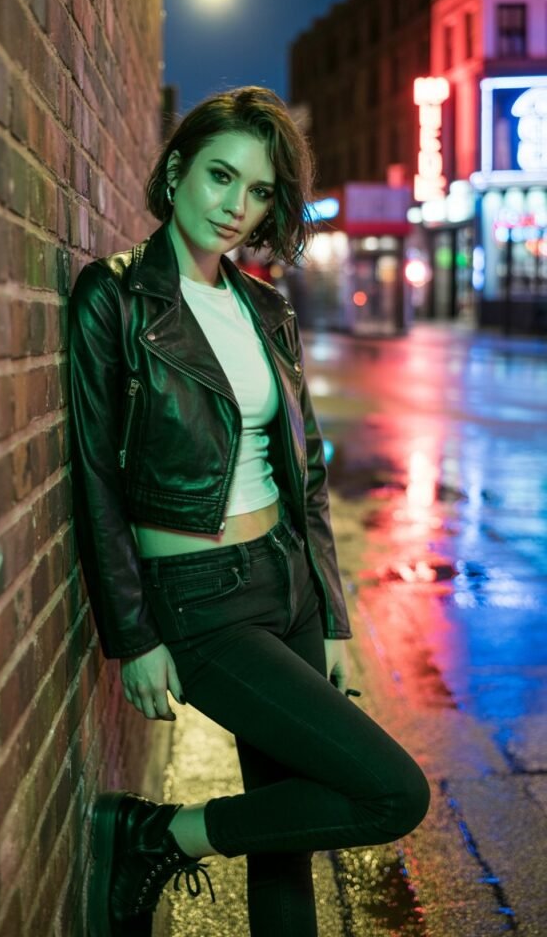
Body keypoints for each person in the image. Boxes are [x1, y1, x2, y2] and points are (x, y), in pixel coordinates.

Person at [68, 86, 430, 937]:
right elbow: (95, 478)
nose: (236, 207)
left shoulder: (264, 307)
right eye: (220, 177)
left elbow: (303, 472)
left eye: (260, 190)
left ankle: (163, 838)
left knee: (288, 833)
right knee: (389, 791)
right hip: (197, 599)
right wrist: (134, 636)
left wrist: (334, 614)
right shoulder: (115, 299)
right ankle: (165, 834)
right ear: (176, 168)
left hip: (286, 581)